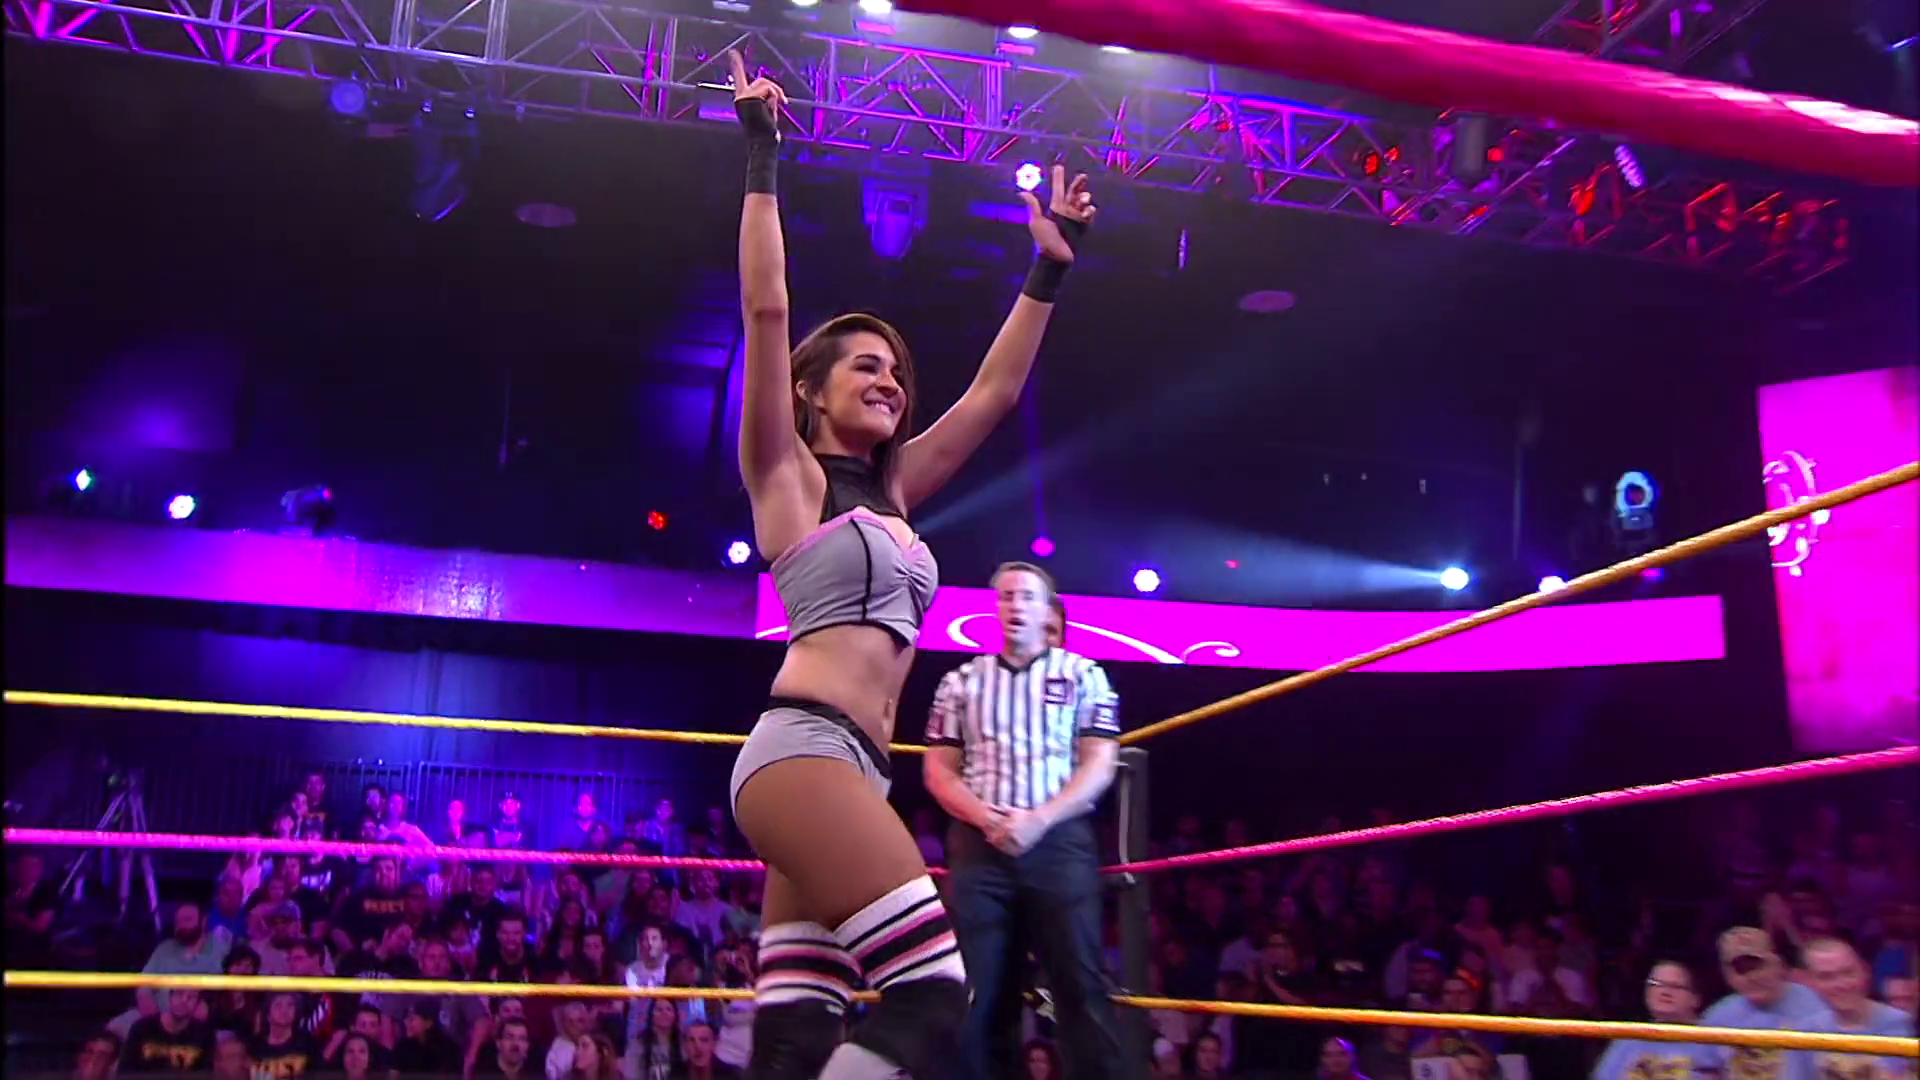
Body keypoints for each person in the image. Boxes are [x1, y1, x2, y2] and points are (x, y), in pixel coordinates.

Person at [720, 46, 1096, 1080]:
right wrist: (762, 156)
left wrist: (1048, 270)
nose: (890, 380)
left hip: (852, 769)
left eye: (896, 370)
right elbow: (767, 311)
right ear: (811, 391)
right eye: (865, 366)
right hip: (802, 756)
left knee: (798, 1034)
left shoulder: (895, 489)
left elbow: (993, 397)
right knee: (934, 994)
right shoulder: (787, 475)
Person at [924, 562, 1126, 1078]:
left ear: (1047, 611)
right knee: (976, 987)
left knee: (1080, 982)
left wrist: (1039, 819)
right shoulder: (960, 682)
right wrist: (985, 817)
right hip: (981, 844)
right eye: (1007, 597)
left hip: (1058, 841)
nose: (1015, 605)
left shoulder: (1084, 674)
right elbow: (939, 771)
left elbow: (1100, 763)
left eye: (1027, 597)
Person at [1701, 927, 1827, 1080]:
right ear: (1729, 976)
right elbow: (1707, 1072)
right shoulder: (1717, 1018)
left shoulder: (1816, 1006)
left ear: (1778, 964)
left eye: (1758, 966)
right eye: (1742, 970)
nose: (1752, 977)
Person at [1802, 937, 1916, 1080]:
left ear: (1865, 972)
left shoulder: (1899, 1023)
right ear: (1811, 983)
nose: (1841, 984)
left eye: (1848, 973)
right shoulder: (1806, 1031)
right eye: (1827, 977)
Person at [1591, 960, 1717, 1080]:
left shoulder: (1712, 1040)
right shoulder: (1628, 1040)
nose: (1664, 992)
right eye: (1655, 984)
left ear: (1695, 998)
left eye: (1675, 986)